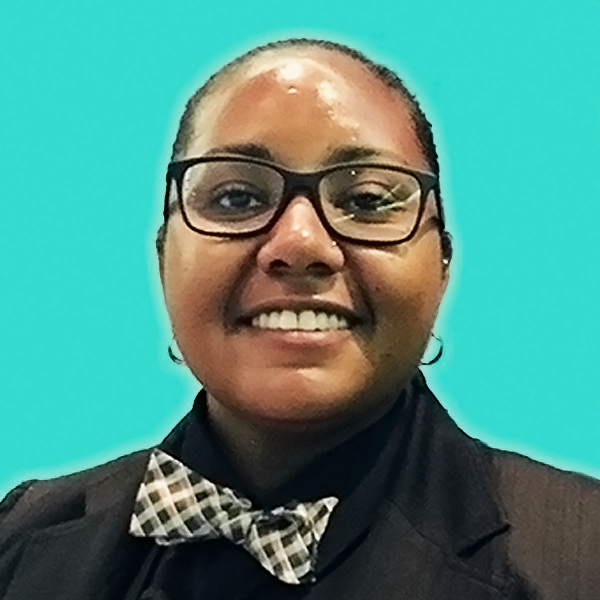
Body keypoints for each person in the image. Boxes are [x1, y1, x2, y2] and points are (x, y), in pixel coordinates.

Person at [1, 38, 599, 600]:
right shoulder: (20, 538)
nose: (300, 243)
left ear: (443, 266)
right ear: (163, 259)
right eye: (237, 197)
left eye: (366, 200)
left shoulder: (582, 557)